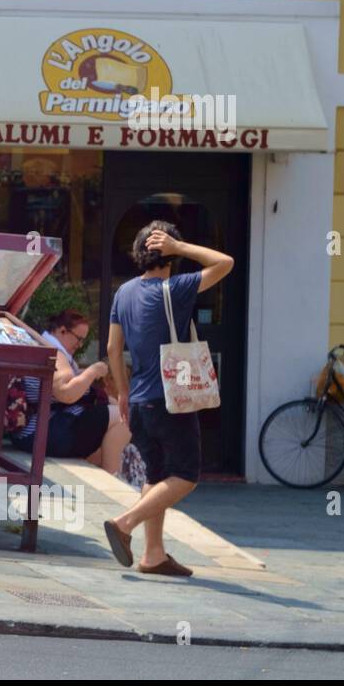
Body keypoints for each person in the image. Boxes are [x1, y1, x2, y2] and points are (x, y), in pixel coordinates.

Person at [104, 221, 233, 577]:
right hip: (170, 398)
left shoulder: (124, 292)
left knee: (157, 474)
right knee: (185, 476)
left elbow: (113, 348)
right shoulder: (175, 288)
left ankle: (153, 555)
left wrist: (123, 391)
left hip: (139, 400)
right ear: (168, 253)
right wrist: (181, 247)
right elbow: (225, 262)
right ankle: (124, 523)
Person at [8, 310, 131, 474]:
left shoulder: (42, 345)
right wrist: (93, 371)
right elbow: (66, 392)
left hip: (33, 433)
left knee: (112, 417)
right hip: (41, 433)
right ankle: (112, 476)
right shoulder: (54, 354)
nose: (80, 345)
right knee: (124, 417)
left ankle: (109, 472)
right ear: (62, 331)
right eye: (79, 338)